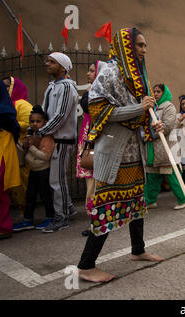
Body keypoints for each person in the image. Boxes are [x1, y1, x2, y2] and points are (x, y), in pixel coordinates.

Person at [77, 27, 165, 283]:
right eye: (139, 45)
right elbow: (100, 112)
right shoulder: (110, 72)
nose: (144, 50)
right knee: (106, 205)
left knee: (137, 204)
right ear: (126, 46)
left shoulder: (138, 77)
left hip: (133, 154)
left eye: (145, 45)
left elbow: (144, 114)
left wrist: (153, 123)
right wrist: (140, 108)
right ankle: (86, 265)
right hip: (114, 153)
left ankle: (138, 250)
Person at [36, 52, 78, 232]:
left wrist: (41, 132)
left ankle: (61, 217)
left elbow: (60, 116)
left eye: (52, 62)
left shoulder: (67, 88)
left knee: (56, 180)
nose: (47, 64)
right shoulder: (53, 86)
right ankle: (68, 208)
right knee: (58, 179)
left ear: (62, 67)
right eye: (48, 61)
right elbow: (46, 113)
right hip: (53, 138)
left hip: (63, 140)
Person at [144, 83, 185, 210]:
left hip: (166, 148)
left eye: (158, 91)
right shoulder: (151, 107)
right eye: (154, 92)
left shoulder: (168, 107)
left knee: (173, 176)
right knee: (152, 176)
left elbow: (168, 125)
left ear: (164, 93)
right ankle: (150, 200)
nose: (156, 94)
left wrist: (153, 130)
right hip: (153, 149)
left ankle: (183, 199)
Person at [12, 106, 55, 232]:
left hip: (43, 171)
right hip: (33, 171)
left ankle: (50, 217)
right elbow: (28, 153)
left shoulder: (47, 137)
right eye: (32, 121)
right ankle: (28, 219)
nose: (35, 124)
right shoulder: (30, 136)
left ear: (45, 123)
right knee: (30, 195)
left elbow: (46, 156)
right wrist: (25, 146)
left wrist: (31, 148)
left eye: (38, 121)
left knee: (45, 195)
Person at [77, 61, 105, 236]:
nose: (88, 73)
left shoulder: (99, 93)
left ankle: (95, 221)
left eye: (92, 70)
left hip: (93, 140)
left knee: (93, 183)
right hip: (87, 140)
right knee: (92, 183)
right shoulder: (92, 91)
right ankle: (97, 220)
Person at [2, 76, 33, 216]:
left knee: (23, 179)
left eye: (8, 86)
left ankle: (26, 212)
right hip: (9, 147)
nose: (5, 89)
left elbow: (30, 123)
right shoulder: (4, 104)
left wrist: (10, 125)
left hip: (21, 147)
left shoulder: (21, 104)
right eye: (3, 87)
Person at [0, 80, 21, 240]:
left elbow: (15, 128)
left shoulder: (5, 111)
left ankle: (3, 227)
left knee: (0, 188)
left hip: (3, 149)